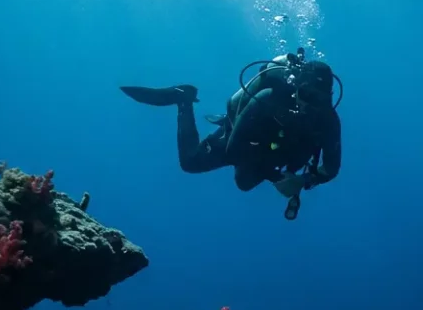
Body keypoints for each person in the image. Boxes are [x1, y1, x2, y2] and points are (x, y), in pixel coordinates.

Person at [120, 50, 342, 220]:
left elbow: (331, 168)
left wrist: (302, 180)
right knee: (190, 162)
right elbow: (234, 149)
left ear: (329, 97)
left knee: (244, 183)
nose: (310, 105)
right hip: (244, 138)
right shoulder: (269, 98)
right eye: (306, 95)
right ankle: (183, 99)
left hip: (274, 154)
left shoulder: (329, 121)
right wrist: (275, 177)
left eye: (319, 99)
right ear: (296, 88)